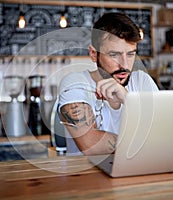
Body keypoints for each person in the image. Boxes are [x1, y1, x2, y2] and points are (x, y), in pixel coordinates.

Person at [57, 12, 159, 156]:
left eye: (130, 54)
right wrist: (149, 143)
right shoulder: (75, 83)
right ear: (93, 54)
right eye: (114, 55)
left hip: (136, 172)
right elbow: (91, 145)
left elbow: (165, 133)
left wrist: (127, 99)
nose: (124, 65)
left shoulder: (142, 81)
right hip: (86, 175)